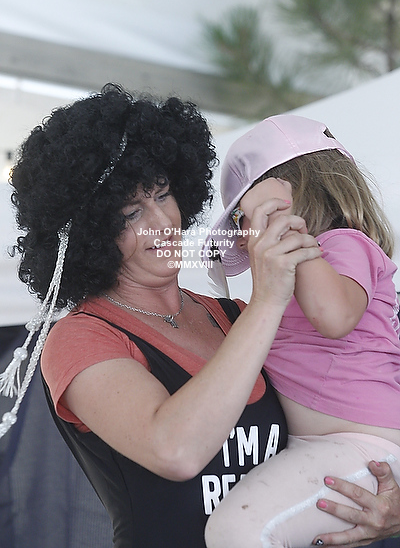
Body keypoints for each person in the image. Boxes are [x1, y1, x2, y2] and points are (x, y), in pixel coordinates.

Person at [0, 88, 399, 548]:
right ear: (91, 233)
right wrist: (268, 298)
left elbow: (366, 390)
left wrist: (392, 505)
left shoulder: (236, 316)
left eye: (164, 195)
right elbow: (175, 451)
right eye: (132, 212)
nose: (162, 221)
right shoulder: (81, 336)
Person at [203, 114, 400, 548]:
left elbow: (333, 317)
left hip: (363, 445)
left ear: (292, 200)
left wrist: (282, 226)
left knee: (238, 531)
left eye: (244, 218)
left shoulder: (344, 245)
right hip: (326, 445)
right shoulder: (291, 278)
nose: (242, 236)